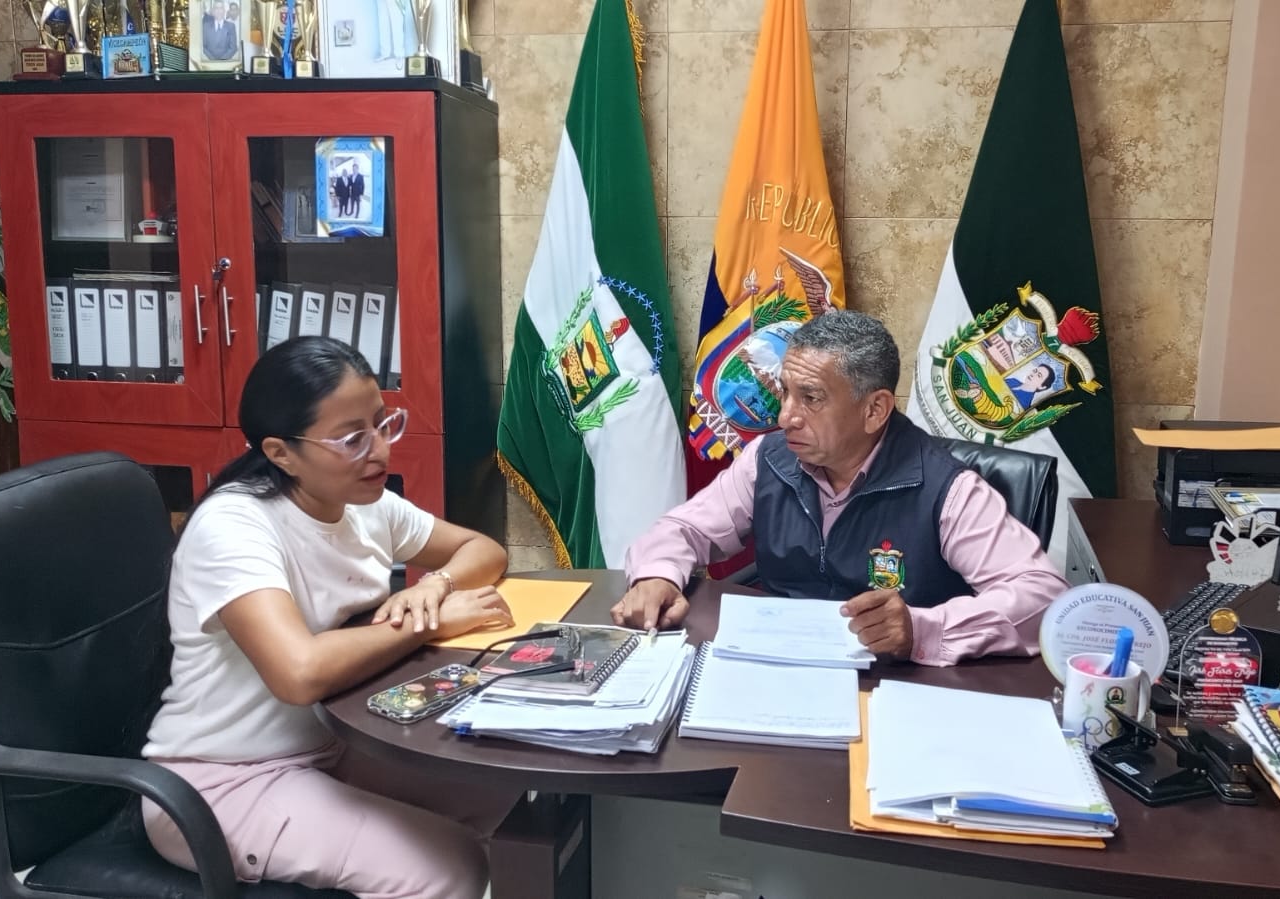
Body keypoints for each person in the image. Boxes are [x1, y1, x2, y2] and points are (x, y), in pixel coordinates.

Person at [142, 337, 506, 899]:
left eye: (382, 424)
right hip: (220, 784)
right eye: (351, 438)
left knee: (500, 789)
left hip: (332, 749)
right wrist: (427, 625)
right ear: (281, 452)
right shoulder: (235, 527)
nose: (379, 450)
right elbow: (299, 672)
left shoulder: (363, 504)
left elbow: (483, 550)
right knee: (448, 868)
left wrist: (435, 586)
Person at [614, 311, 1068, 667]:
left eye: (810, 398)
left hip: (895, 686)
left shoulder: (947, 488)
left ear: (875, 410)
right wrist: (657, 576)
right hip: (779, 666)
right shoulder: (770, 458)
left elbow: (1042, 596)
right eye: (785, 392)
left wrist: (922, 629)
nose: (785, 417)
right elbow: (685, 529)